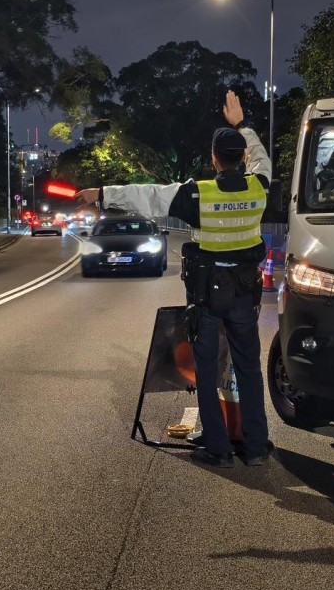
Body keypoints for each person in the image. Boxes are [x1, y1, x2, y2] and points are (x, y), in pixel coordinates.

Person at [75, 90, 271, 468]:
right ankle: (256, 447)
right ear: (242, 159)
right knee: (248, 370)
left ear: (214, 160)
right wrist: (243, 125)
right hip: (246, 297)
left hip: (208, 299)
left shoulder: (198, 194)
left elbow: (148, 196)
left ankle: (217, 448)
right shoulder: (258, 187)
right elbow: (262, 158)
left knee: (208, 371)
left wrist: (100, 194)